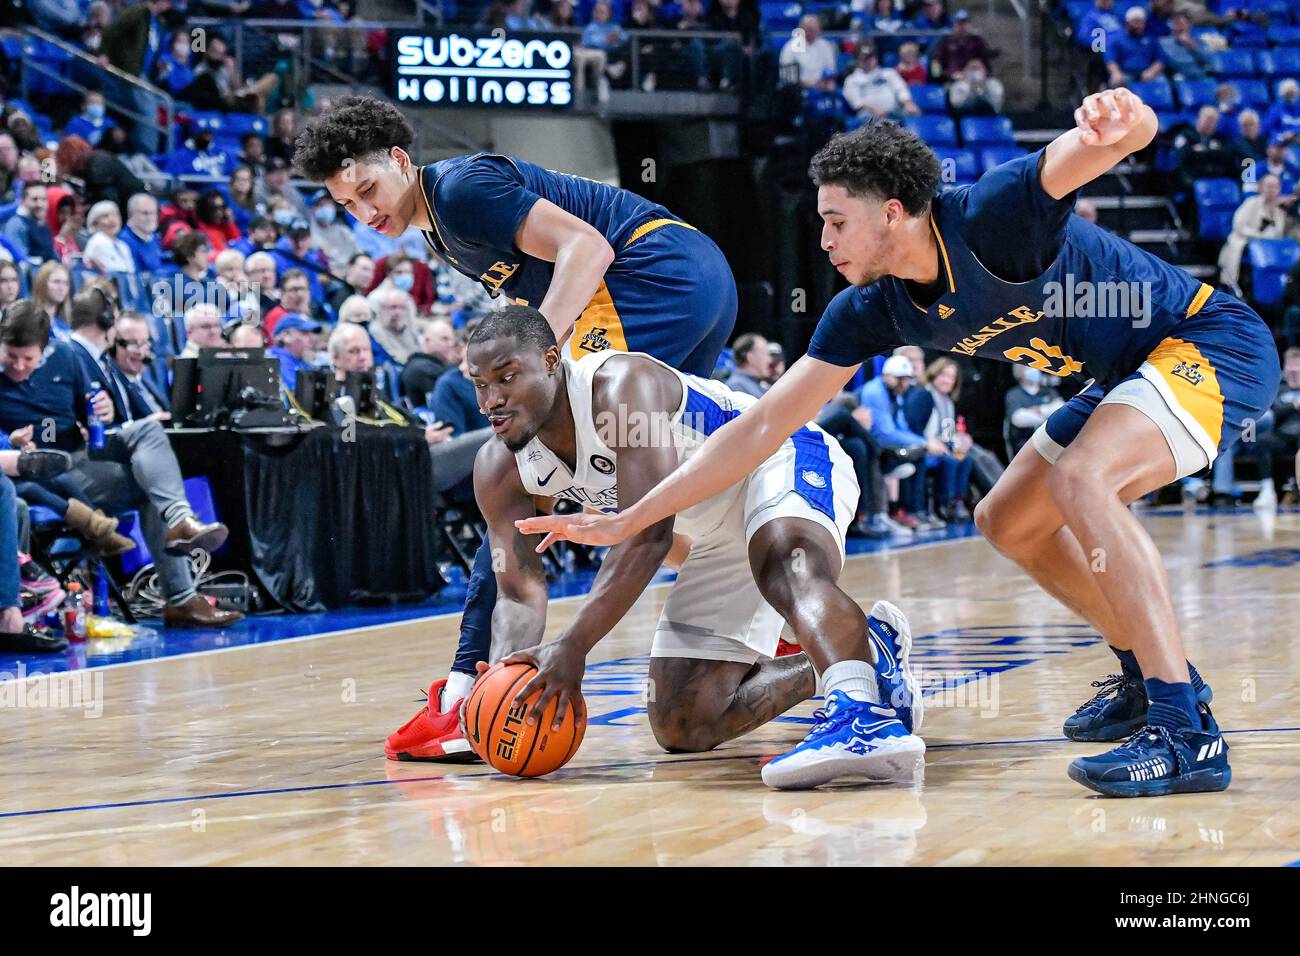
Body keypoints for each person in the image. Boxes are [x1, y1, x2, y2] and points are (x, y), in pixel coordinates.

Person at [522, 92, 1282, 799]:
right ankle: (1150, 675)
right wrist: (628, 519)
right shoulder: (868, 310)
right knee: (1007, 520)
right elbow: (759, 427)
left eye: (835, 221)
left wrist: (1126, 117)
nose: (822, 241)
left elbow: (1113, 140)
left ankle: (1186, 732)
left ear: (891, 213)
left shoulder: (993, 214)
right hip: (1121, 375)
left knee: (1082, 479)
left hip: (1209, 341)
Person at [294, 95, 737, 763]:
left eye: (367, 189)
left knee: (522, 459)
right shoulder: (438, 223)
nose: (365, 211)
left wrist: (530, 362)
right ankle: (761, 603)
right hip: (692, 279)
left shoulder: (462, 190)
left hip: (650, 275)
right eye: (348, 206)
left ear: (398, 160)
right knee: (645, 491)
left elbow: (586, 249)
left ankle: (468, 686)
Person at [463, 306, 923, 789]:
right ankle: (868, 649)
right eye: (479, 384)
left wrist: (573, 647)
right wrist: (508, 677)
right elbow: (518, 592)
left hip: (778, 458)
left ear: (552, 360)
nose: (491, 399)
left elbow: (648, 535)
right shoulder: (498, 468)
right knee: (681, 722)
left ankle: (863, 717)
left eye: (507, 377)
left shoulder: (617, 389)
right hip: (710, 533)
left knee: (784, 568)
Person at [0, 300, 241, 628]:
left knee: (148, 430)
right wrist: (10, 442)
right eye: (9, 357)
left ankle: (180, 518)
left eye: (27, 359)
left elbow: (93, 412)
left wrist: (103, 410)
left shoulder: (67, 357)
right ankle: (183, 598)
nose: (18, 366)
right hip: (31, 472)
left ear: (44, 351)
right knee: (150, 486)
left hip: (79, 459)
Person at [1218, 174, 1287, 294]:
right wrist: (1259, 236)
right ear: (1261, 187)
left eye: (1275, 186)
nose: (1272, 190)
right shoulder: (1251, 203)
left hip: (1270, 249)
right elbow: (1238, 226)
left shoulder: (1279, 212)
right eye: (1269, 186)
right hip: (1246, 243)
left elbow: (1279, 235)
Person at [842, 45, 920, 122]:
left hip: (893, 113)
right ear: (858, 60)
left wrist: (907, 103)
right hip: (868, 116)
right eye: (864, 58)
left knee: (913, 113)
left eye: (871, 57)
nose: (868, 61)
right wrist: (874, 111)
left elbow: (900, 89)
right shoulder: (851, 80)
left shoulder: (889, 73)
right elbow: (857, 102)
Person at [1004, 364, 1064, 458]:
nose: (1034, 370)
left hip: (1050, 445)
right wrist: (1048, 416)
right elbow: (1018, 419)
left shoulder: (1049, 392)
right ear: (1019, 372)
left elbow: (1062, 410)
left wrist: (1039, 410)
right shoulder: (1014, 394)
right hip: (1023, 445)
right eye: (1028, 367)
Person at [400, 317, 458, 404]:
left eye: (452, 340)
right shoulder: (420, 369)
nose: (450, 344)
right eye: (444, 339)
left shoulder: (437, 364)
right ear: (427, 341)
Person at [1106, 6, 1164, 87]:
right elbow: (1111, 61)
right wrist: (1116, 73)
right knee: (1116, 81)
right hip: (1125, 73)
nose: (1139, 25)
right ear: (1127, 23)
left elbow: (1160, 60)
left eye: (1142, 22)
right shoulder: (1116, 39)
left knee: (1162, 81)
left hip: (1146, 73)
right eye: (1136, 22)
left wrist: (1152, 72)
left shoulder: (1151, 39)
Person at [779, 15, 839, 89]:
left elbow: (831, 70)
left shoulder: (826, 46)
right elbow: (788, 78)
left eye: (814, 29)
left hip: (822, 88)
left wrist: (828, 83)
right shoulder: (790, 48)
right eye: (808, 29)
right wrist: (808, 85)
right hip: (799, 90)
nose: (811, 33)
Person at [2, 181, 55, 265]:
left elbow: (53, 257)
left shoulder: (44, 226)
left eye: (43, 199)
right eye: (34, 199)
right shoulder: (17, 224)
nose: (40, 204)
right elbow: (20, 264)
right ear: (23, 201)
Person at [269, 313, 321, 391]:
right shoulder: (277, 360)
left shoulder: (301, 361)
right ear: (286, 336)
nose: (311, 339)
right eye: (304, 333)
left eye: (310, 334)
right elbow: (298, 392)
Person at [82, 201, 135, 274]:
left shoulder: (122, 245)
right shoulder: (98, 241)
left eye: (115, 215)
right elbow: (112, 273)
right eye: (105, 216)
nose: (112, 220)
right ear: (95, 223)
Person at [120, 193, 166, 275]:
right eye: (145, 213)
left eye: (154, 212)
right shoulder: (124, 241)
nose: (151, 218)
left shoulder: (154, 237)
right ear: (131, 214)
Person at [31, 261, 73, 341]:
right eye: (56, 282)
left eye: (66, 283)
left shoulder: (65, 326)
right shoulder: (31, 321)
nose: (61, 288)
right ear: (42, 284)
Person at [727, 333, 772, 398]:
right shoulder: (737, 386)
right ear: (750, 357)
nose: (769, 360)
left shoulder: (756, 385)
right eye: (765, 353)